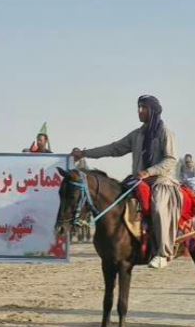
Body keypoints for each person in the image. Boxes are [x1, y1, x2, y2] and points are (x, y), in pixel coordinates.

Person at [72, 94, 179, 270]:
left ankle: (163, 253)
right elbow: (114, 148)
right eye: (138, 107)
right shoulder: (137, 135)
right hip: (138, 181)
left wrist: (149, 172)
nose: (139, 111)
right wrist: (84, 153)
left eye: (143, 108)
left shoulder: (166, 133)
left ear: (152, 111)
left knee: (159, 208)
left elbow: (171, 160)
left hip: (161, 181)